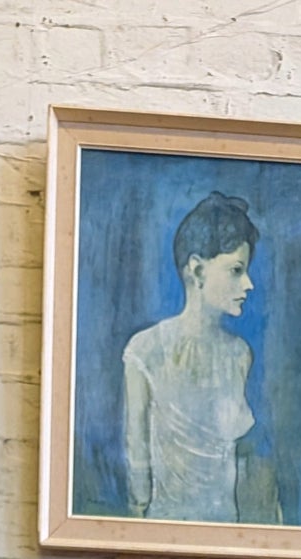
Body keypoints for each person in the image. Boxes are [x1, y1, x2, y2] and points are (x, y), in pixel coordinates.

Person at [122, 192, 258, 523]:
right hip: (163, 527)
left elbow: (236, 459)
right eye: (236, 270)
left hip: (227, 526)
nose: (249, 284)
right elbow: (136, 451)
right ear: (197, 271)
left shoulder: (239, 354)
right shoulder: (145, 350)